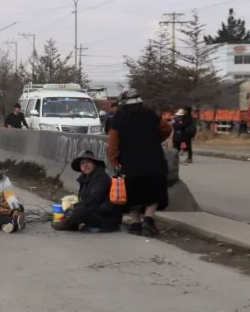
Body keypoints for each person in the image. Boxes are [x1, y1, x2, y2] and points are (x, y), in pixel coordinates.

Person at [108, 88, 172, 237]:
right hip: (154, 161)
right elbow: (166, 129)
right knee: (154, 191)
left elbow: (112, 144)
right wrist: (155, 140)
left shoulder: (118, 118)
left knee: (132, 194)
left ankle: (136, 224)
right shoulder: (149, 114)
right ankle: (148, 220)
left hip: (129, 164)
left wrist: (115, 161)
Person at [52, 150, 122, 233]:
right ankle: (72, 223)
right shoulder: (86, 178)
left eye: (88, 162)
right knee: (77, 209)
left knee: (80, 210)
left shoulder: (101, 178)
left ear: (94, 164)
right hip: (97, 213)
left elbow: (93, 199)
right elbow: (85, 199)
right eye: (82, 163)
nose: (85, 165)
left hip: (106, 218)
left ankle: (68, 225)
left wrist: (75, 206)